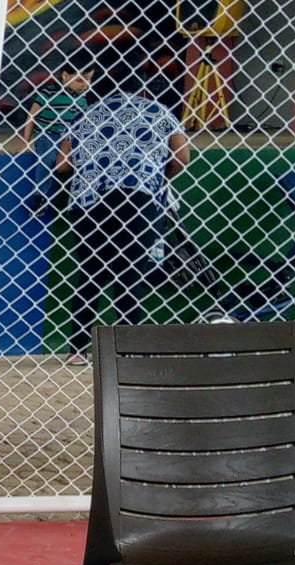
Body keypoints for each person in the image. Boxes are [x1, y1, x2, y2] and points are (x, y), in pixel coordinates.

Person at [57, 53, 189, 364]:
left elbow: (62, 164)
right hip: (138, 200)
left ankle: (77, 349)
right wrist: (158, 176)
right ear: (142, 87)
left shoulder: (85, 115)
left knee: (90, 273)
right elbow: (182, 157)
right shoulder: (160, 112)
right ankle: (127, 348)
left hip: (90, 202)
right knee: (130, 272)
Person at [21, 53, 92, 218]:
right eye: (80, 80)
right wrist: (26, 142)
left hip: (70, 137)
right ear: (65, 76)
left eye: (89, 80)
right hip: (48, 134)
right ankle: (41, 196)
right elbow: (32, 116)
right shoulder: (48, 92)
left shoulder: (82, 98)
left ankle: (77, 200)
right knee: (47, 159)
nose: (85, 85)